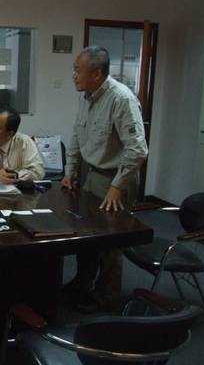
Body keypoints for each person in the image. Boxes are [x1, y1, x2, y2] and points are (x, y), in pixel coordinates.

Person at [61, 46, 148, 311]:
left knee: (111, 242)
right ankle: (83, 283)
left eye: (78, 71)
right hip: (91, 175)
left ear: (97, 74)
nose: (74, 76)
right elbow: (77, 136)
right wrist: (70, 172)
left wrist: (116, 187)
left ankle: (107, 297)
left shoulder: (121, 99)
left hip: (115, 179)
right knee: (86, 236)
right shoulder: (86, 97)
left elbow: (137, 150)